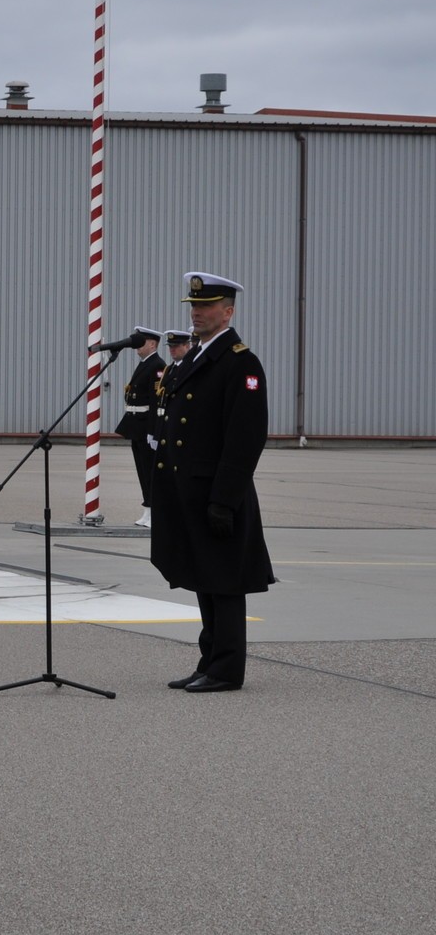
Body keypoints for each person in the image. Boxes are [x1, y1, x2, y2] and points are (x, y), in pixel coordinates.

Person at [151, 274, 275, 694]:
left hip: (218, 494)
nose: (197, 313)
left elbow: (245, 437)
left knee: (224, 582)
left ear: (228, 311)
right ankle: (209, 660)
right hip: (190, 491)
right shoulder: (194, 358)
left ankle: (227, 669)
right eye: (194, 306)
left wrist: (224, 499)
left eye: (206, 306)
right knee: (204, 578)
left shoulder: (240, 362)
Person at [113, 327, 164, 527]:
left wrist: (153, 431)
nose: (137, 347)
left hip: (145, 426)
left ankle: (155, 511)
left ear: (152, 344)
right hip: (136, 425)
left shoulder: (157, 365)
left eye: (141, 342)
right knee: (142, 471)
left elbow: (155, 402)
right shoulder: (145, 364)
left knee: (150, 471)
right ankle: (147, 509)